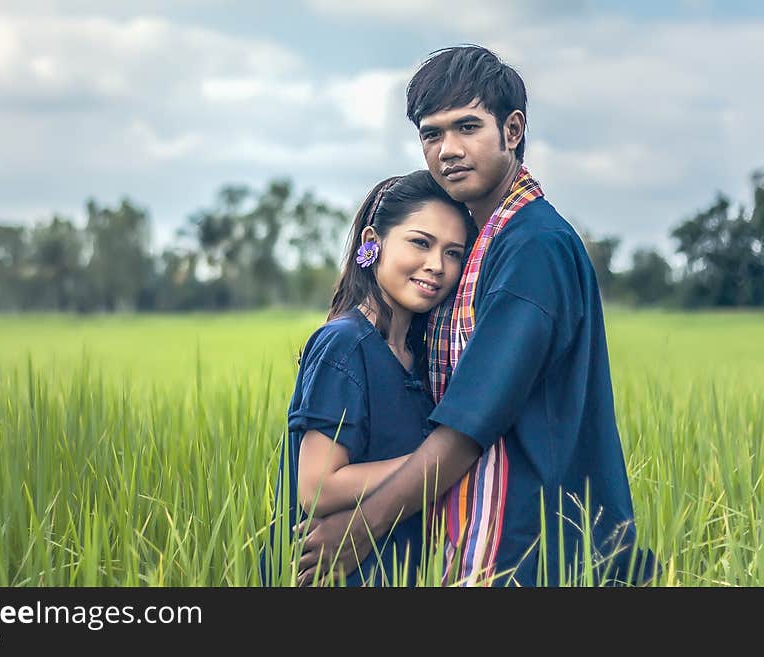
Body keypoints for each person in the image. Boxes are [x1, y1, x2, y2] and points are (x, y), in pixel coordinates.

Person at [295, 45, 659, 587]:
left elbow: (470, 424)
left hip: (526, 545)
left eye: (467, 126)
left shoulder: (534, 246)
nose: (448, 150)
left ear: (512, 130)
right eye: (431, 133)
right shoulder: (482, 243)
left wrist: (365, 525)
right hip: (473, 533)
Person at [261, 170, 473, 586]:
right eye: (420, 242)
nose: (436, 266)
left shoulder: (421, 357)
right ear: (372, 242)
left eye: (453, 253)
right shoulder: (345, 344)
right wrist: (441, 464)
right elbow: (318, 487)